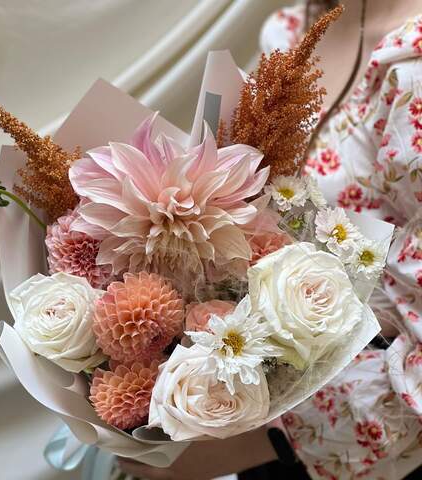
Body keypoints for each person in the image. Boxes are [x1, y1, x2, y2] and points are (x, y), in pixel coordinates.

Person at [118, 1, 422, 478]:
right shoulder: (286, 32)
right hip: (261, 398)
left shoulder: (413, 67)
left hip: (355, 448)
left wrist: (260, 443)